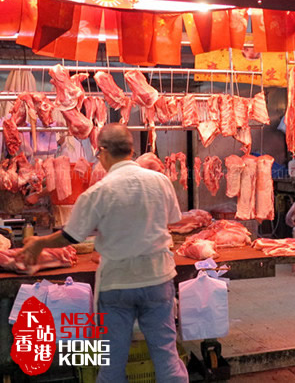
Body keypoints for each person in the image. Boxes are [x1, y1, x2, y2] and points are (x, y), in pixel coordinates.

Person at [20, 124, 188, 383]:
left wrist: (38, 244)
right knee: (167, 357)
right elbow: (173, 219)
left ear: (103, 152)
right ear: (131, 150)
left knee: (111, 364)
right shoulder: (160, 181)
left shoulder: (98, 191)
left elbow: (71, 236)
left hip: (116, 285)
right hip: (157, 279)